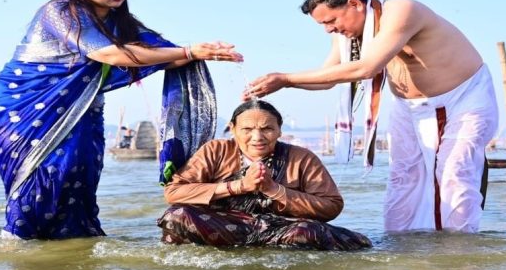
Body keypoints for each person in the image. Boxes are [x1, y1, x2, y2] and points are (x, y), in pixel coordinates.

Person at [0, 0, 242, 240]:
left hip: (83, 108)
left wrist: (203, 53)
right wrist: (189, 51)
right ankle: (20, 245)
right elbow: (106, 53)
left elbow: (159, 56)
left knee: (80, 173)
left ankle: (76, 246)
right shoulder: (60, 11)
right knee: (45, 175)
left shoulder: (122, 23)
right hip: (23, 106)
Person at [247, 0, 498, 233]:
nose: (328, 30)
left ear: (354, 4)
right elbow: (326, 79)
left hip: (463, 98)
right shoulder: (346, 36)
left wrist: (287, 78)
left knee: (455, 171)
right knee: (403, 178)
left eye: (330, 21)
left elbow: (368, 67)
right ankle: (405, 247)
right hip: (409, 106)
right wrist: (281, 84)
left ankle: (459, 251)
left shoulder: (401, 11)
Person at [158, 100, 371, 250]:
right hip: (226, 228)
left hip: (281, 230)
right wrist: (239, 186)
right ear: (232, 129)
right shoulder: (215, 150)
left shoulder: (302, 157)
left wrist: (274, 190)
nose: (257, 137)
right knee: (176, 216)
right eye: (247, 129)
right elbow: (174, 192)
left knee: (307, 232)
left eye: (267, 129)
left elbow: (332, 206)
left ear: (280, 130)